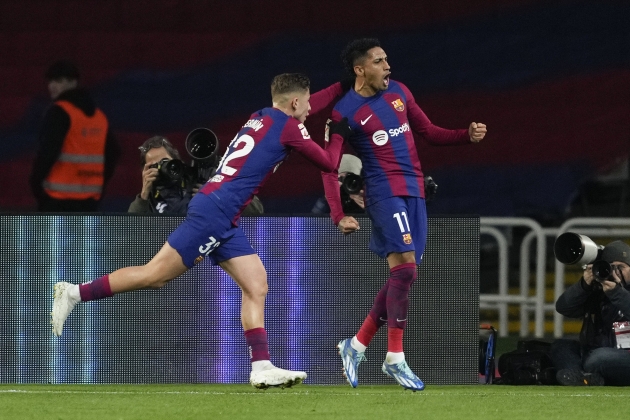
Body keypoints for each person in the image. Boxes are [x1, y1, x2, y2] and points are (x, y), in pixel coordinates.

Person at [51, 73, 349, 389]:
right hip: (215, 212)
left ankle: (261, 366)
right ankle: (73, 292)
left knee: (256, 283)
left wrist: (344, 86)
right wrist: (338, 134)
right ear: (294, 102)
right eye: (304, 105)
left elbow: (307, 103)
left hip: (222, 211)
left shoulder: (261, 116)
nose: (308, 112)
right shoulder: (289, 127)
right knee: (155, 275)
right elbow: (330, 164)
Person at [323, 38, 487, 391]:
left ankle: (356, 345)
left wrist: (465, 136)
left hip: (415, 191)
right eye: (380, 61)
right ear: (360, 69)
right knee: (407, 269)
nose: (388, 66)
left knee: (404, 274)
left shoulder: (399, 91)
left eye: (387, 60)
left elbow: (429, 132)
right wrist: (338, 214)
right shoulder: (344, 113)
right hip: (383, 192)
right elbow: (327, 166)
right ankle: (394, 356)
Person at [30, 60, 119, 212]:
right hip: (88, 201)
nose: (52, 86)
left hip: (56, 199)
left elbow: (48, 151)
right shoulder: (99, 116)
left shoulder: (59, 112)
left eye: (58, 81)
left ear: (73, 82)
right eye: (50, 81)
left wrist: (36, 184)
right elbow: (113, 153)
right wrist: (99, 187)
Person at [551, 240, 630, 386]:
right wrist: (584, 285)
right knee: (561, 347)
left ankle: (585, 374)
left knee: (599, 358)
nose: (615, 272)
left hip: (623, 356)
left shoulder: (615, 293)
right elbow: (563, 307)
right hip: (598, 353)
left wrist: (616, 293)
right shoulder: (599, 292)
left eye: (621, 267)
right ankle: (580, 377)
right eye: (610, 267)